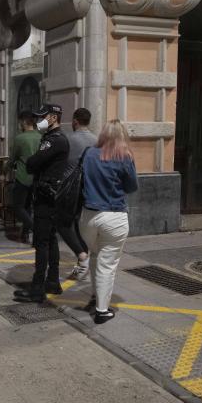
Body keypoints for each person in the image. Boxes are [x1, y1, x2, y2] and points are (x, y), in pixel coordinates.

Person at [79, 120, 138, 324]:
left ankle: (96, 296)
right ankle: (102, 311)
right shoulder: (124, 156)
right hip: (114, 217)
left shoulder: (89, 153)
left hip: (88, 217)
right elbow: (132, 187)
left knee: (95, 255)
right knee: (107, 264)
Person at [14, 104, 69, 303]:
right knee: (50, 240)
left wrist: (33, 162)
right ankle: (53, 282)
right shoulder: (52, 138)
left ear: (53, 117)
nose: (39, 121)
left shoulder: (55, 140)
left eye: (42, 117)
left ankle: (38, 288)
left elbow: (31, 163)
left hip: (47, 198)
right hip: (49, 195)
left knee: (42, 242)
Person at [59, 107, 99, 280]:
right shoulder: (97, 140)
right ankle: (83, 260)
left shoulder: (68, 139)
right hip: (90, 189)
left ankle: (82, 256)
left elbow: (60, 164)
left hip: (69, 190)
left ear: (75, 121)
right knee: (80, 225)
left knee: (63, 224)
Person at [7, 111, 41, 243]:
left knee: (18, 206)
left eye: (20, 122)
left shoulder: (20, 138)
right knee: (28, 207)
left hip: (23, 176)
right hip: (36, 177)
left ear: (24, 122)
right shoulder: (41, 136)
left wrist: (4, 172)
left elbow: (12, 159)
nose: (19, 124)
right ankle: (25, 234)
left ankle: (34, 228)